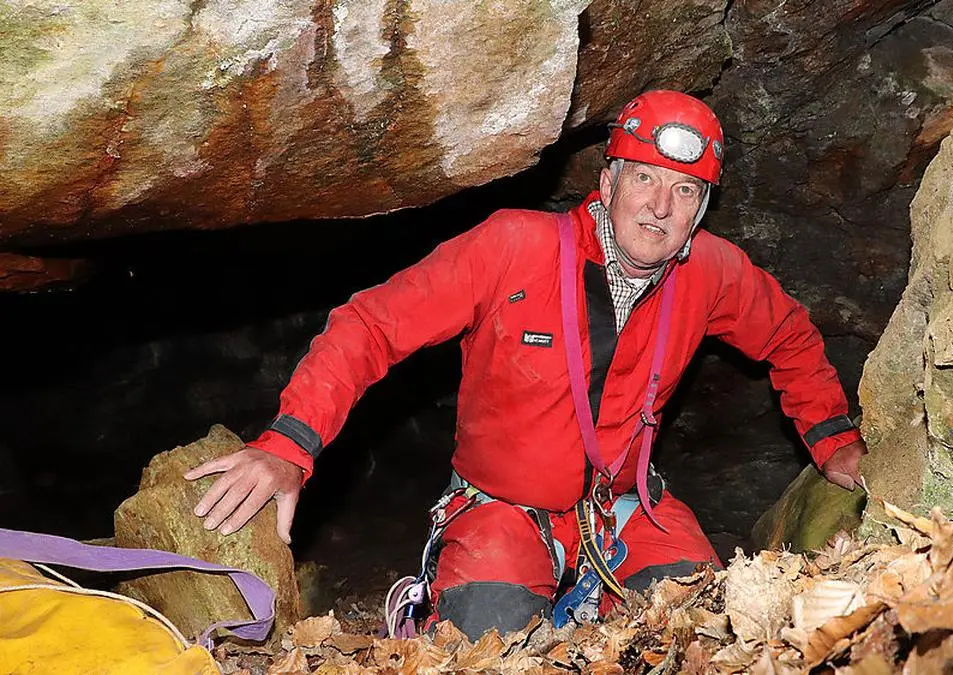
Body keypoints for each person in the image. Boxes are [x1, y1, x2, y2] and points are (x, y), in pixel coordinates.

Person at [185, 90, 867, 640]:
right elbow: (372, 325)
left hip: (625, 510)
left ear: (702, 210)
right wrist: (290, 443)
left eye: (686, 190)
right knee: (490, 642)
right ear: (608, 182)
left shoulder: (711, 273)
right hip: (502, 512)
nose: (660, 207)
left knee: (708, 626)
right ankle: (432, 604)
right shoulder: (514, 247)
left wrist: (831, 436)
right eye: (645, 178)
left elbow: (789, 335)